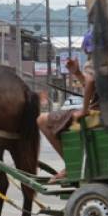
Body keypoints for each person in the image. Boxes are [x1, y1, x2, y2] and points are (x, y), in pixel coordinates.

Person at [37, 31, 98, 183]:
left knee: (42, 120)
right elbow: (92, 84)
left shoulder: (95, 61)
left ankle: (71, 165)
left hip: (98, 112)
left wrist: (84, 110)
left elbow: (90, 82)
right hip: (106, 109)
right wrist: (77, 73)